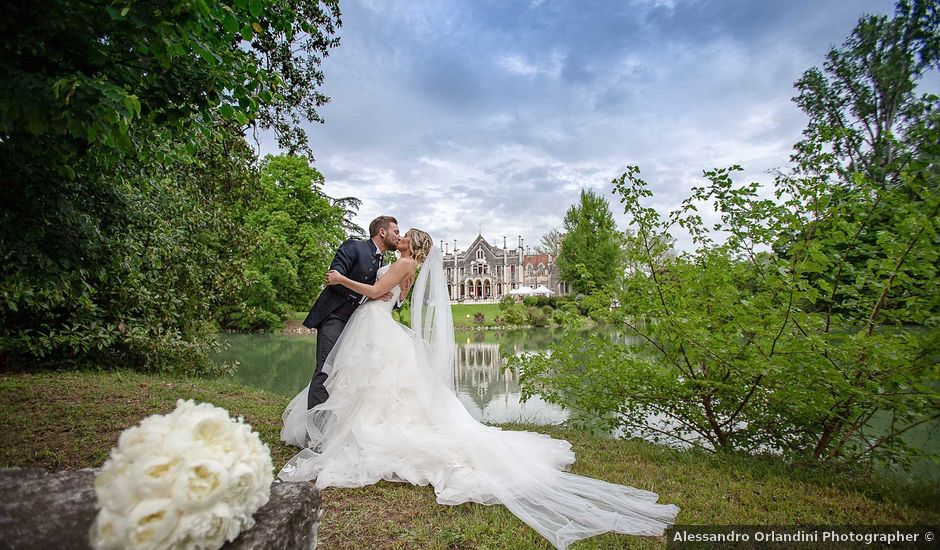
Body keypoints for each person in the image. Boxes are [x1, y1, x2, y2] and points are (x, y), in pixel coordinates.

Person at [280, 228, 679, 549]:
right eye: (396, 231)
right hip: (379, 327)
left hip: (376, 325)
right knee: (386, 388)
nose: (399, 235)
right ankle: (349, 428)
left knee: (382, 387)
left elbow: (371, 292)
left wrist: (340, 279)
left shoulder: (401, 264)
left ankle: (354, 433)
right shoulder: (405, 264)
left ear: (411, 246)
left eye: (404, 235)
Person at [299, 215, 407, 410]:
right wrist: (368, 295)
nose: (399, 237)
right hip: (336, 316)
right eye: (396, 232)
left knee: (351, 373)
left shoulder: (385, 261)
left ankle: (336, 425)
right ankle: (313, 433)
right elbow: (334, 277)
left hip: (360, 324)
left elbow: (384, 293)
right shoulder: (354, 246)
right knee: (326, 370)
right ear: (382, 232)